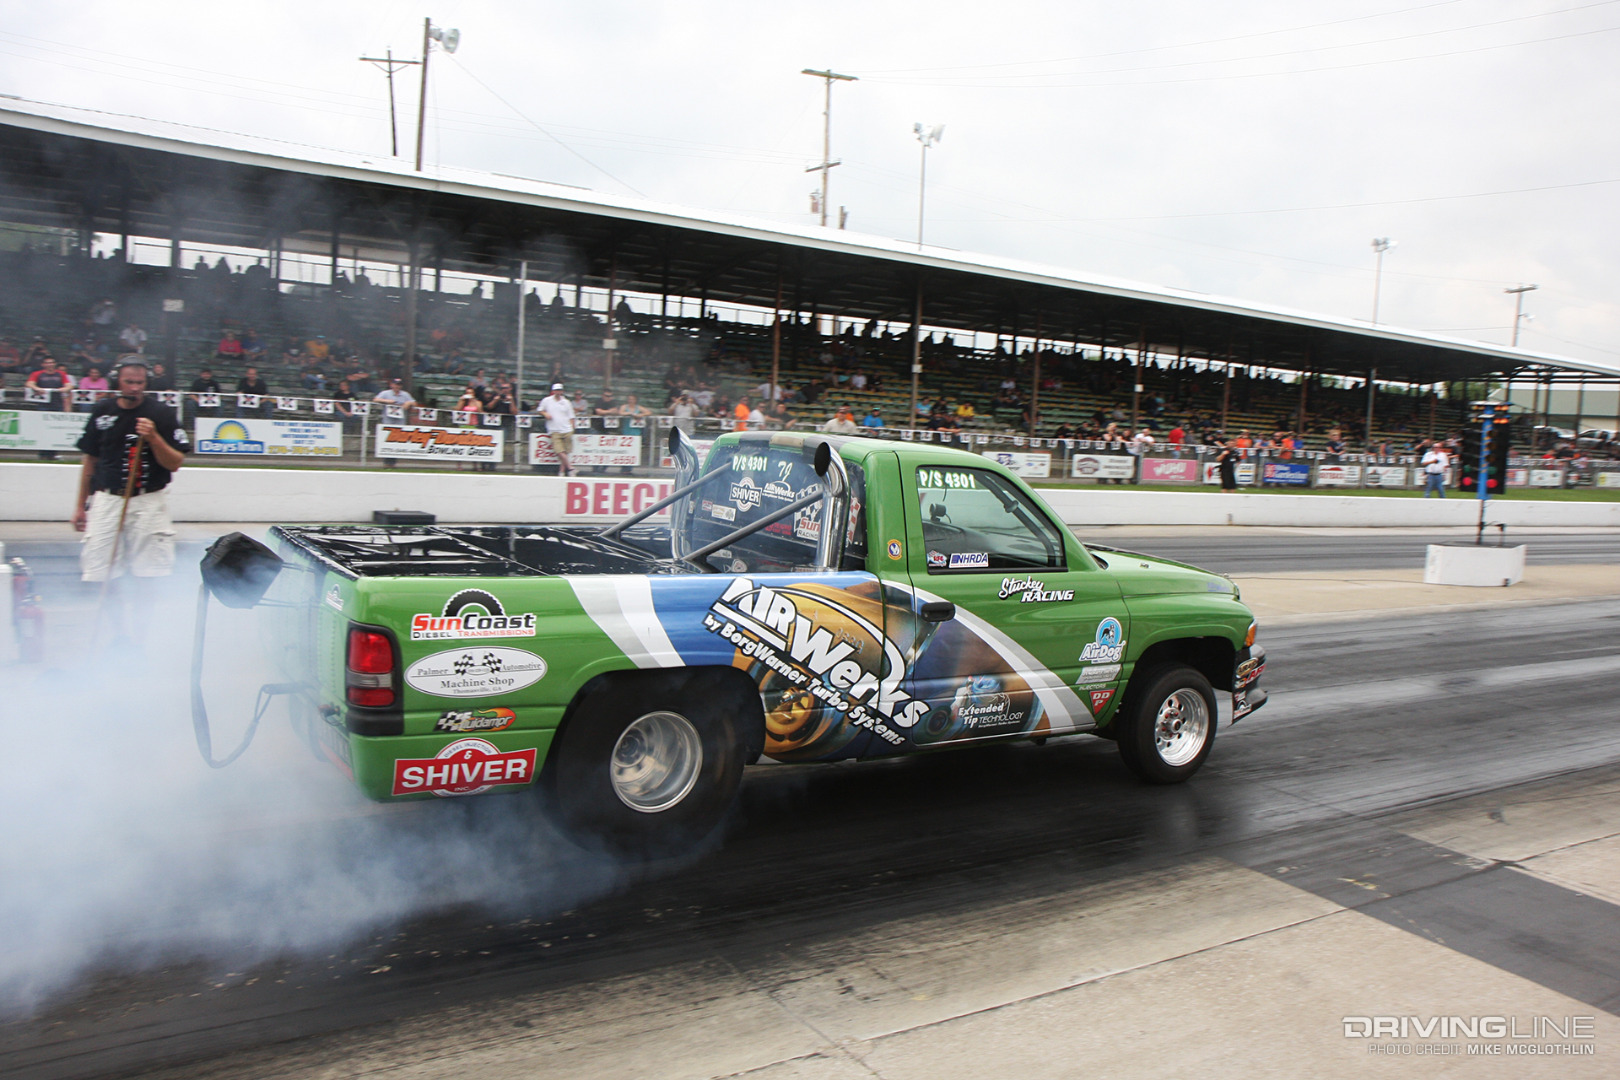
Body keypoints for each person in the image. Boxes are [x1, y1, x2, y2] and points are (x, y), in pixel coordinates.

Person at [72, 360, 190, 608]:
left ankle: (140, 640)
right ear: (118, 382)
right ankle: (118, 633)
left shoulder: (162, 413)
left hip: (148, 500)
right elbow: (90, 460)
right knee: (102, 571)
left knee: (148, 573)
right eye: (129, 382)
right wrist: (80, 506)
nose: (135, 388)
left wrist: (154, 437)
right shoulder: (102, 410)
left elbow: (175, 463)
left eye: (140, 383)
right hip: (106, 499)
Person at [538, 382, 576, 476]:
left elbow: (571, 416)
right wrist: (545, 414)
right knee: (559, 450)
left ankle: (562, 472)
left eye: (559, 390)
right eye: (556, 390)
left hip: (566, 429)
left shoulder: (566, 402)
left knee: (565, 452)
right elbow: (540, 409)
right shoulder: (547, 400)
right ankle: (570, 467)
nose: (558, 392)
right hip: (554, 429)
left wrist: (572, 429)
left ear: (562, 391)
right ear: (553, 391)